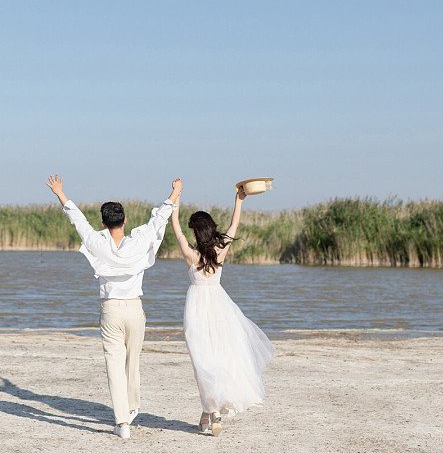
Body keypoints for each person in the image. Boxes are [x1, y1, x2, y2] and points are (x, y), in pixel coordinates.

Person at [46, 174, 182, 439]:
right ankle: (131, 407)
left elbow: (78, 221)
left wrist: (60, 193)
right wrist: (175, 192)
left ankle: (122, 423)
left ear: (103, 223)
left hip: (110, 310)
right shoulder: (138, 242)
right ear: (125, 221)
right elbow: (159, 220)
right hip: (134, 309)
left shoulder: (98, 242)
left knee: (114, 364)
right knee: (133, 362)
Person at [168, 185, 275, 436]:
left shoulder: (190, 254)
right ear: (211, 229)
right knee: (219, 357)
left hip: (196, 310)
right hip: (220, 307)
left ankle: (210, 412)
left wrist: (177, 196)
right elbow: (234, 226)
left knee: (202, 362)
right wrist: (239, 200)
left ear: (195, 231)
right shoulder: (220, 250)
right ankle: (209, 414)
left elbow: (174, 225)